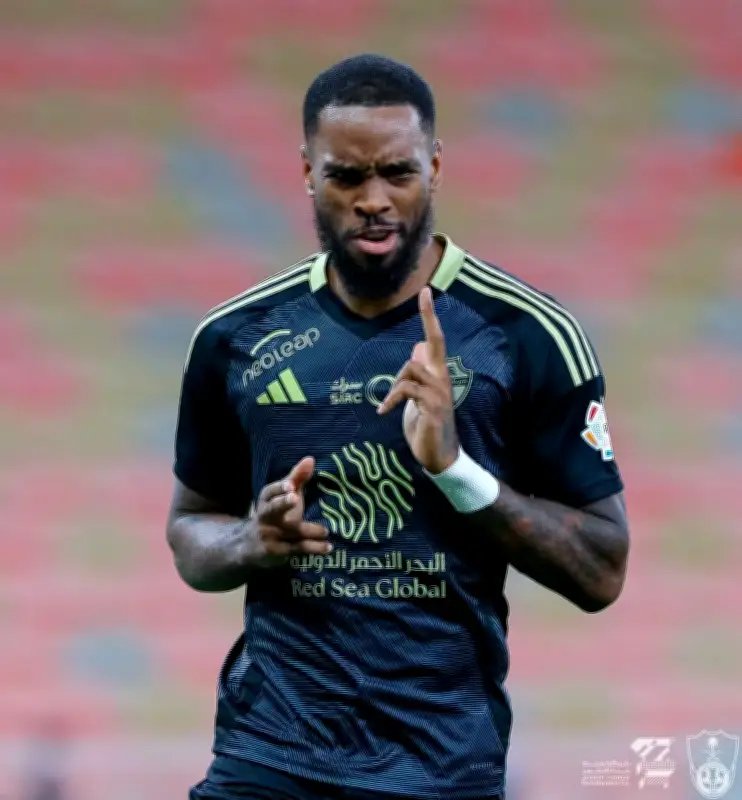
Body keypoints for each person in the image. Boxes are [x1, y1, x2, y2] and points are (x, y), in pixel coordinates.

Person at [167, 53, 629, 800]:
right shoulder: (236, 337)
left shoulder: (527, 334)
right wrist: (252, 541)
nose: (373, 200)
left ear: (436, 166)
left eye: (397, 172)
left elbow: (601, 572)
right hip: (270, 753)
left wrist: (456, 470)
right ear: (307, 172)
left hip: (442, 766)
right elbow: (190, 531)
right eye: (347, 177)